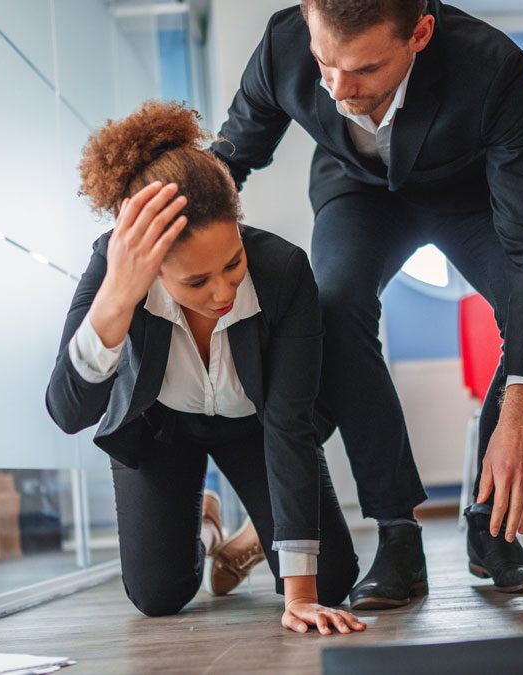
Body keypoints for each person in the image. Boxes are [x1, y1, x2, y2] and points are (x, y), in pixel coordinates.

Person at [211, 0, 523, 605]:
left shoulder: (493, 68)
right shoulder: (284, 44)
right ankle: (396, 535)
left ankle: (491, 530)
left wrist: (519, 417)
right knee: (333, 305)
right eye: (326, 63)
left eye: (364, 69)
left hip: (469, 197)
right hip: (357, 191)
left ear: (420, 34)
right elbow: (227, 162)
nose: (338, 89)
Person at [46, 100, 365, 635]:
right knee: (158, 596)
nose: (222, 292)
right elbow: (67, 411)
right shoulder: (115, 268)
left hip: (257, 428)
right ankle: (208, 524)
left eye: (233, 263)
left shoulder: (284, 271)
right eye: (196, 282)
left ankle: (257, 535)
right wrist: (119, 297)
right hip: (160, 430)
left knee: (329, 577)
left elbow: (289, 424)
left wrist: (301, 598)